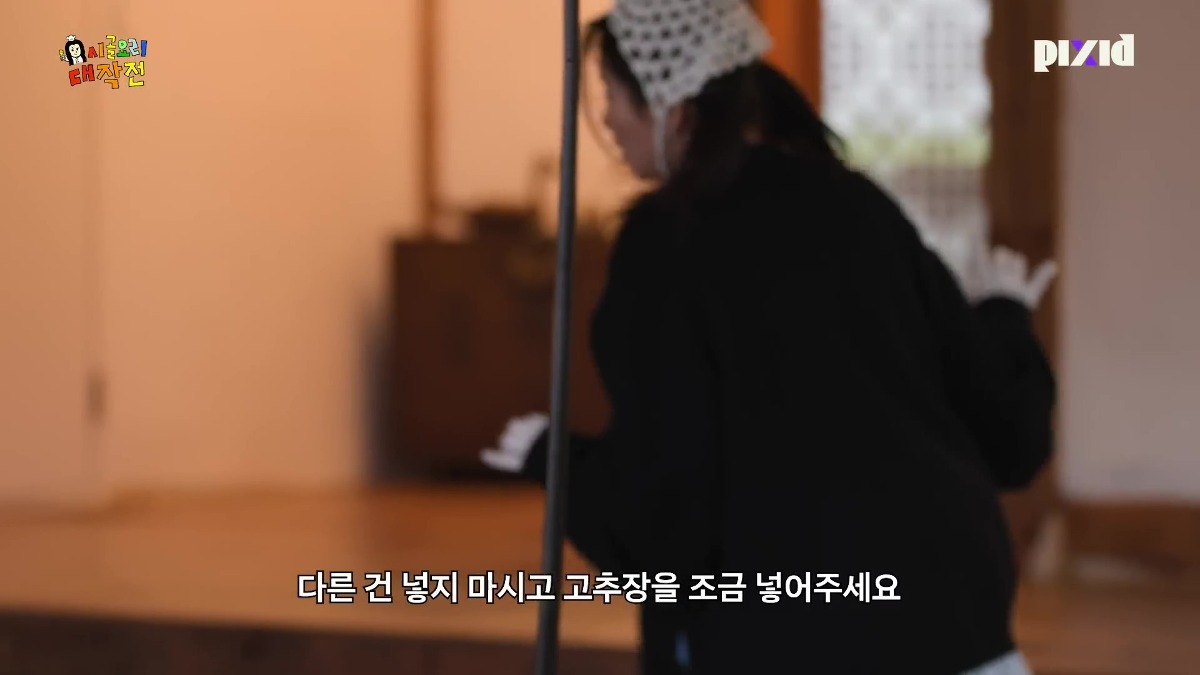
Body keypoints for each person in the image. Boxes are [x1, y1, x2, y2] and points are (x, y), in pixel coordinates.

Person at [482, 1, 1058, 673]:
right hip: (953, 622)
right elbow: (1008, 434)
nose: (607, 119)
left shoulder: (668, 243)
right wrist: (1004, 314)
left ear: (673, 107)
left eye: (611, 94)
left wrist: (556, 461)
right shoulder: (855, 204)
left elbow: (667, 515)